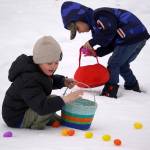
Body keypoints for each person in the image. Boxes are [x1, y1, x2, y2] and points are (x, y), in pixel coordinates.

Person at [61, 1, 150, 98]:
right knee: (122, 64)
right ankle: (132, 86)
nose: (80, 32)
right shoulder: (97, 30)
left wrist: (92, 42)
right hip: (137, 37)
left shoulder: (99, 15)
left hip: (131, 34)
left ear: (80, 18)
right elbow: (111, 44)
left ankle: (110, 91)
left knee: (113, 63)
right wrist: (97, 52)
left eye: (77, 28)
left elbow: (108, 30)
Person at [2, 35, 83, 129]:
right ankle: (37, 124)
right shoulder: (29, 79)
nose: (53, 67)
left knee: (52, 102)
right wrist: (66, 99)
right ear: (38, 61)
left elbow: (45, 81)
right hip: (17, 117)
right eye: (49, 63)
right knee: (51, 103)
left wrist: (63, 81)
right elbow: (42, 107)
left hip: (28, 107)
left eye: (56, 62)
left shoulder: (38, 69)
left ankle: (44, 117)